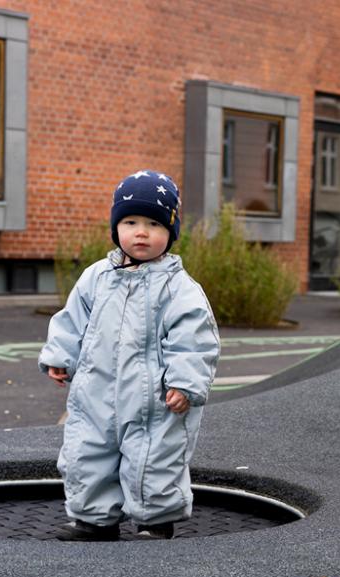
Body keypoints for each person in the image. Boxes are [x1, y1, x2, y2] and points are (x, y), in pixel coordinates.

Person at [38, 170, 220, 542]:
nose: (141, 232)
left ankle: (155, 521)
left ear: (170, 231)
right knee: (88, 452)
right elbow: (72, 319)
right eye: (130, 222)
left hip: (155, 399)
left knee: (154, 459)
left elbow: (194, 340)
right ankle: (93, 518)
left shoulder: (179, 288)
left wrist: (185, 383)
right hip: (96, 391)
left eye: (153, 223)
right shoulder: (96, 277)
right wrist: (60, 354)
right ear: (116, 227)